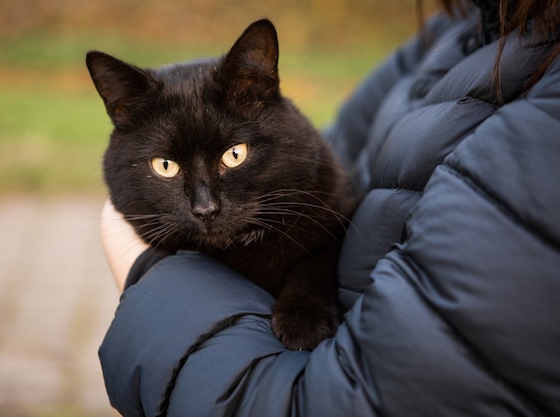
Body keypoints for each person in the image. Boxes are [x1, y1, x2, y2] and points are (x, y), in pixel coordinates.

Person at [98, 0, 560, 415]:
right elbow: (342, 140)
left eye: (232, 157)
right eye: (166, 166)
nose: (205, 206)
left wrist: (139, 265)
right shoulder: (460, 30)